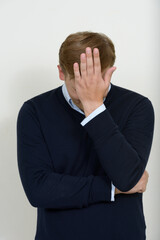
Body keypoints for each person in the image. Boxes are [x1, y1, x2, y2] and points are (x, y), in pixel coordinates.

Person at [16, 31, 155, 240]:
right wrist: (110, 189)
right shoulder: (34, 111)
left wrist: (95, 108)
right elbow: (38, 189)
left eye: (95, 84)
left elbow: (126, 178)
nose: (86, 93)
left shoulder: (138, 106)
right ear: (61, 73)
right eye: (78, 87)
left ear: (109, 73)